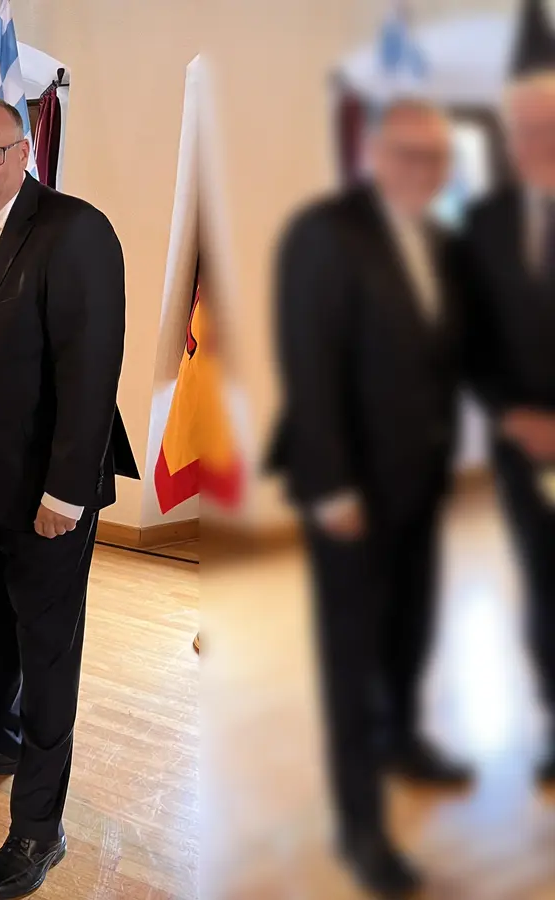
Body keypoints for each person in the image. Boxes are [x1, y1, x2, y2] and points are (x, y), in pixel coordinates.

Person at [0, 97, 136, 899]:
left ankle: (39, 827)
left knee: (47, 654)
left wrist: (67, 490)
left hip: (49, 491)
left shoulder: (75, 229)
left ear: (25, 152)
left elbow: (91, 369)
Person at [270, 98, 466, 898]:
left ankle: (405, 742)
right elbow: (307, 367)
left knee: (413, 625)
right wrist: (330, 487)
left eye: (436, 157)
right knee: (351, 657)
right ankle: (360, 829)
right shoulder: (324, 232)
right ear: (375, 155)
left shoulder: (444, 241)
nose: (423, 170)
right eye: (408, 153)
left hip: (423, 472)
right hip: (347, 484)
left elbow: (455, 352)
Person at [457, 8, 555, 792]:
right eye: (523, 125)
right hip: (523, 448)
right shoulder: (486, 220)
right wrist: (512, 415)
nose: (535, 139)